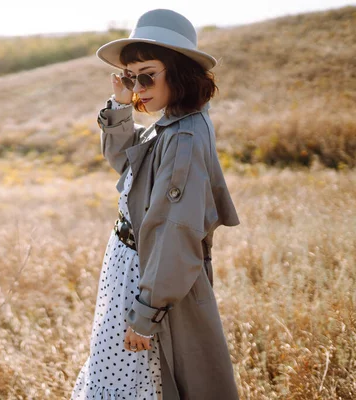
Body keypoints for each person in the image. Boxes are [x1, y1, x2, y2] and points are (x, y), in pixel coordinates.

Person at [70, 9, 241, 400]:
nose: (137, 86)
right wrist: (119, 105)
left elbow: (174, 232)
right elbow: (130, 166)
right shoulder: (174, 122)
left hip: (145, 278)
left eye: (147, 74)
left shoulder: (183, 137)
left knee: (130, 384)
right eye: (131, 77)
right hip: (133, 269)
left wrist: (147, 315)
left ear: (179, 71)